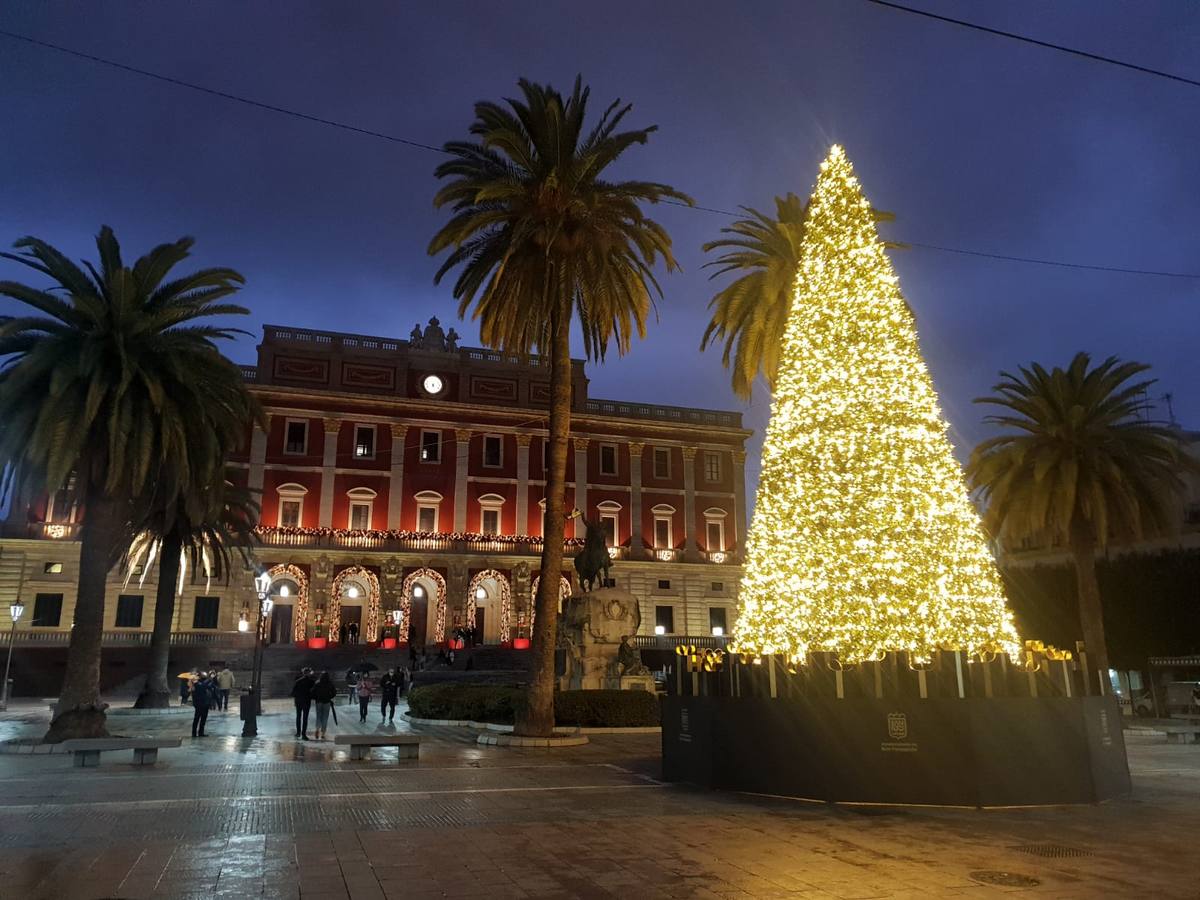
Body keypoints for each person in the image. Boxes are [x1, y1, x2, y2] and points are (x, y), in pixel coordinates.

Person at [311, 671, 338, 740]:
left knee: (318, 716)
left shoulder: (317, 683)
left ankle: (317, 729)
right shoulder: (330, 683)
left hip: (319, 701)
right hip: (327, 702)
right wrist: (330, 697)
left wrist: (316, 697)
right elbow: (334, 692)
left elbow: (312, 692)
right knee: (325, 717)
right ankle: (323, 733)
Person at [290, 667, 316, 740]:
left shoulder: (298, 681)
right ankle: (304, 734)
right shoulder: (311, 682)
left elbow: (293, 693)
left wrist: (296, 698)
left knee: (298, 716)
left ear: (303, 673)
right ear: (308, 673)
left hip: (298, 701)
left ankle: (298, 733)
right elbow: (313, 691)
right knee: (305, 718)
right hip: (307, 701)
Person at [191, 673, 212, 738]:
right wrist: (209, 679)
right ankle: (194, 733)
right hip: (199, 704)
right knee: (197, 719)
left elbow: (208, 686)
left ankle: (201, 732)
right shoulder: (196, 685)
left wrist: (211, 680)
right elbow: (203, 686)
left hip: (204, 704)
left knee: (203, 719)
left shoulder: (200, 684)